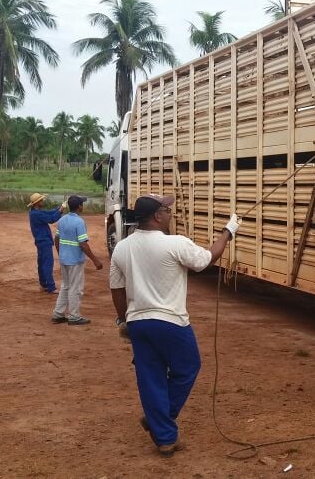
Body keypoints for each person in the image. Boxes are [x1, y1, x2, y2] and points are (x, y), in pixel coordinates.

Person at [109, 194, 239, 457]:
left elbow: (117, 289)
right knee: (188, 367)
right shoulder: (174, 243)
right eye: (167, 210)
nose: (171, 214)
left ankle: (164, 434)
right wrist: (228, 231)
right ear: (157, 216)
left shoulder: (122, 248)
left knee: (150, 376)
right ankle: (162, 421)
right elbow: (207, 259)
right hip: (171, 322)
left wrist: (124, 320)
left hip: (139, 323)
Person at [51, 195, 104, 325]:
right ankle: (74, 316)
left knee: (65, 286)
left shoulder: (62, 220)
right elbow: (83, 244)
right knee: (76, 288)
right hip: (75, 260)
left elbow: (57, 239)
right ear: (80, 206)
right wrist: (95, 260)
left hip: (64, 259)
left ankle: (58, 313)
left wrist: (61, 253)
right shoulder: (79, 222)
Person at [28, 193, 65, 293]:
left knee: (42, 263)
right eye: (41, 200)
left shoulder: (34, 212)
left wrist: (58, 209)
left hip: (41, 241)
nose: (43, 201)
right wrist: (60, 211)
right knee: (47, 264)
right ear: (37, 203)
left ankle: (44, 284)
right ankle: (51, 287)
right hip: (44, 241)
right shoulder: (37, 214)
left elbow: (48, 213)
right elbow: (51, 219)